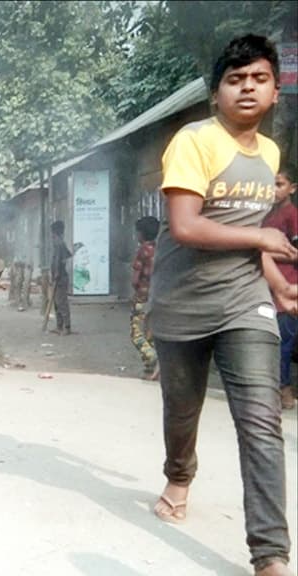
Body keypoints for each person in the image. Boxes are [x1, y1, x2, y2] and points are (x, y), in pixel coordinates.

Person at [148, 35, 297, 576]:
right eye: (235, 80)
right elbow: (185, 226)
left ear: (275, 91)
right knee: (181, 413)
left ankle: (270, 555)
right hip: (181, 303)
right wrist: (263, 244)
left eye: (258, 79)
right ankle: (179, 475)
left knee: (261, 421)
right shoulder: (195, 140)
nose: (247, 89)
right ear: (217, 94)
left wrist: (275, 284)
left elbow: (247, 232)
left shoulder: (271, 155)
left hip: (244, 302)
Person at [263, 164, 298, 409]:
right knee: (270, 341)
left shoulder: (292, 215)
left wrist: (266, 253)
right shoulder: (268, 216)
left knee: (283, 343)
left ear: (292, 188)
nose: (273, 190)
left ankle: (284, 390)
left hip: (287, 288)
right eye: (271, 184)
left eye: (279, 184)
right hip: (267, 287)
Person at [130, 216, 160, 381]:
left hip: (142, 298)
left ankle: (154, 359)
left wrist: (135, 290)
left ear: (141, 233)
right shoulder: (160, 249)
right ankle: (150, 372)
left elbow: (135, 279)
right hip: (157, 297)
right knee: (150, 334)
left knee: (136, 335)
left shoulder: (143, 250)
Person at [49, 220, 73, 336]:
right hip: (57, 277)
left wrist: (56, 274)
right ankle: (59, 326)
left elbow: (60, 261)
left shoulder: (59, 244)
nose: (51, 235)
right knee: (56, 302)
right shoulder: (58, 243)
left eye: (52, 233)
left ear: (56, 232)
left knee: (61, 302)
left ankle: (67, 327)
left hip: (60, 278)